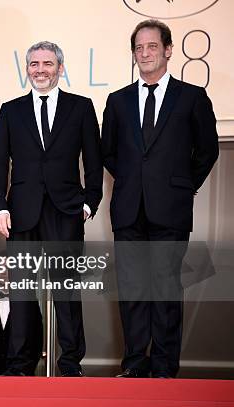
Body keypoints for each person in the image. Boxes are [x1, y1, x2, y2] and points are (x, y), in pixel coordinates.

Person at [101, 20, 219, 379]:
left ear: (168, 50)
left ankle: (165, 369)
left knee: (166, 290)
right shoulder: (118, 101)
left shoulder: (192, 97)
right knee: (133, 290)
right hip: (128, 210)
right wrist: (135, 183)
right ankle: (135, 366)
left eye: (152, 46)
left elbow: (207, 150)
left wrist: (182, 185)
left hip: (170, 210)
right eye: (139, 48)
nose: (145, 53)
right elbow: (109, 153)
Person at [0, 41, 103, 376]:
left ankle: (70, 364)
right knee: (22, 291)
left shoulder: (81, 107)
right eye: (34, 64)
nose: (40, 69)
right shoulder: (10, 110)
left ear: (60, 68)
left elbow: (93, 162)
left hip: (66, 211)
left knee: (66, 289)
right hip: (21, 212)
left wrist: (88, 202)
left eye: (47, 64)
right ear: (27, 70)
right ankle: (19, 365)